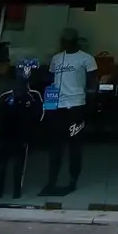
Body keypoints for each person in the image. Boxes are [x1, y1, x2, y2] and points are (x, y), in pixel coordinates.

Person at [39, 28, 97, 197]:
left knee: (75, 146)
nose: (65, 44)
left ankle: (73, 179)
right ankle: (52, 180)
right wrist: (49, 106)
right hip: (58, 108)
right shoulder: (56, 59)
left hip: (76, 106)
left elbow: (93, 83)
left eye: (68, 41)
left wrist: (90, 107)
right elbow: (51, 82)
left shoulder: (86, 59)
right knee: (55, 147)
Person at [0, 59, 43, 200]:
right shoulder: (5, 96)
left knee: (19, 165)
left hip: (22, 135)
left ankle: (16, 191)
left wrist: (33, 132)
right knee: (2, 164)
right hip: (5, 134)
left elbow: (39, 115)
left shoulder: (34, 96)